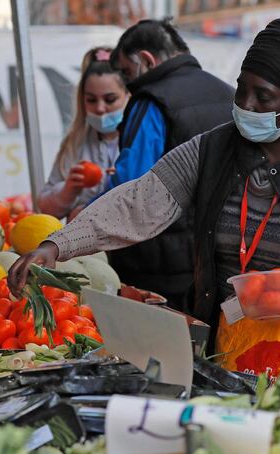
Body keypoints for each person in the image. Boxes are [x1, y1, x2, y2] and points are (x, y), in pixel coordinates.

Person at [9, 18, 280, 343]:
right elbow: (137, 203)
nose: (245, 105)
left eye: (263, 96)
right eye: (242, 88)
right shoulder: (210, 150)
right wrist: (56, 246)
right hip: (228, 344)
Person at [84, 19, 234, 312]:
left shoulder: (152, 102)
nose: (129, 81)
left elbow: (132, 187)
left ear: (146, 60)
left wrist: (84, 221)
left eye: (127, 72)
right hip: (221, 261)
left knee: (157, 353)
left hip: (158, 268)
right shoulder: (229, 95)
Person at [39, 46, 129, 220]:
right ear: (82, 100)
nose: (100, 108)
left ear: (128, 94)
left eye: (110, 99)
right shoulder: (75, 143)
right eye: (91, 100)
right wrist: (67, 191)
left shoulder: (142, 141)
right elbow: (45, 208)